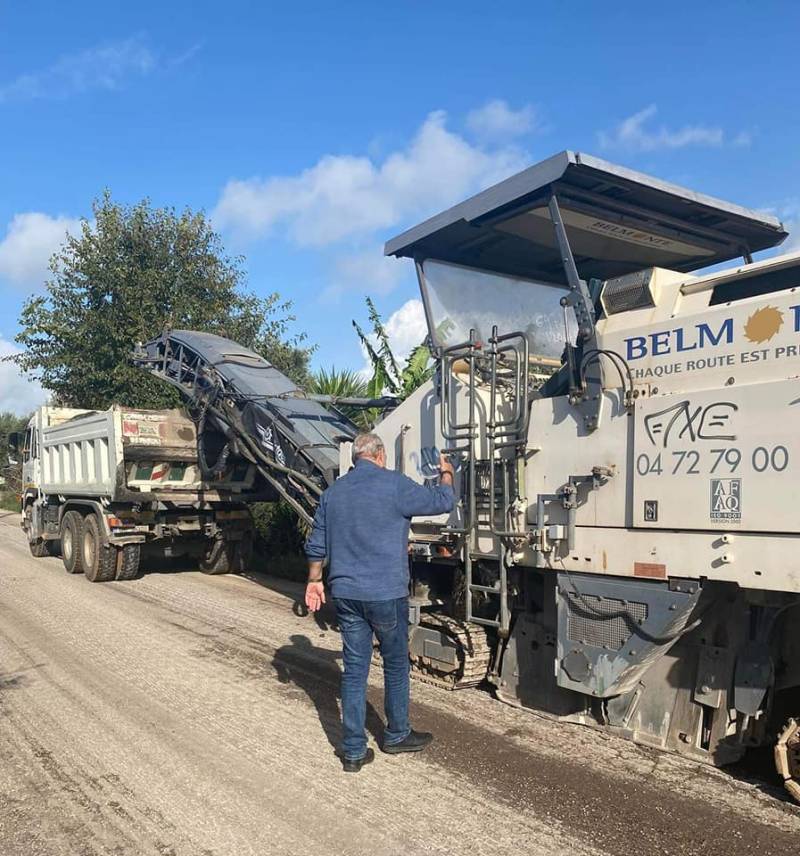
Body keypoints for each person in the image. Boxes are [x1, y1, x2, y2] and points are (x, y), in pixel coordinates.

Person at [304, 432, 455, 773]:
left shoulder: (333, 493)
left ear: (356, 458)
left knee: (355, 671)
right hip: (386, 593)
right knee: (395, 664)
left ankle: (354, 751)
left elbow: (316, 547)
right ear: (381, 455)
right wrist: (447, 473)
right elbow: (442, 502)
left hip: (346, 593)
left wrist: (314, 581)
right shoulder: (394, 486)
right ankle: (396, 735)